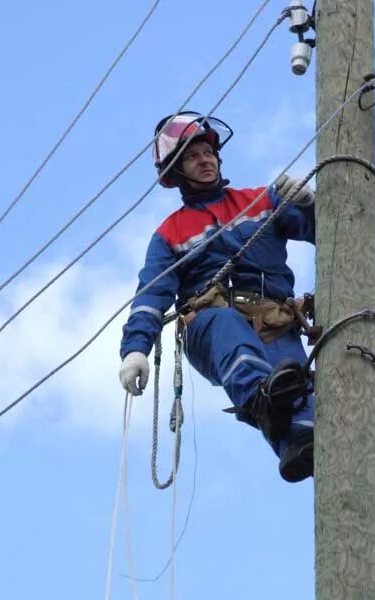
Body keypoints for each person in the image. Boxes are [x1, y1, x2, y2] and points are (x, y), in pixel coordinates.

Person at [118, 111, 316, 482]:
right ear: (177, 170)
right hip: (211, 326)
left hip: (274, 323)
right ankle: (259, 400)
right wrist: (135, 349)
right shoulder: (170, 233)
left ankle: (297, 444)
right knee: (240, 347)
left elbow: (332, 232)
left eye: (208, 152)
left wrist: (306, 202)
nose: (205, 159)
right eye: (193, 156)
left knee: (301, 411)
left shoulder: (261, 201)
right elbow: (151, 295)